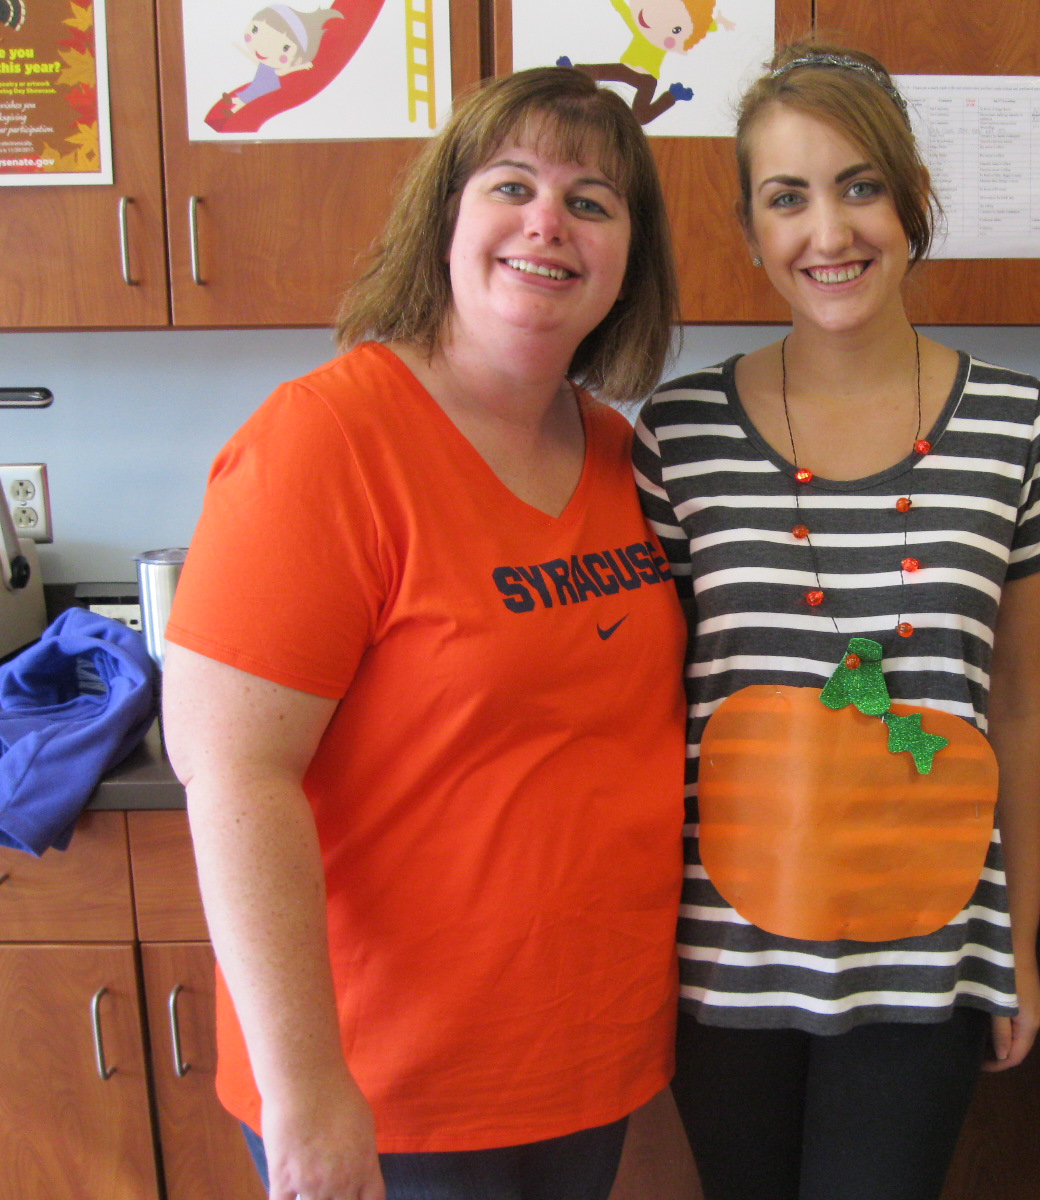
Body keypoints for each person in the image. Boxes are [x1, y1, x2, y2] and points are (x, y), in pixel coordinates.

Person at [162, 67, 686, 1200]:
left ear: (626, 263)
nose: (549, 221)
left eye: (593, 202)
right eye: (513, 185)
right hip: (389, 1087)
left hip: (579, 1064)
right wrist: (307, 1089)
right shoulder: (324, 441)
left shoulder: (615, 453)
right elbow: (233, 773)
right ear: (444, 218)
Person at [633, 41, 1040, 1200]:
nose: (827, 232)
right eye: (787, 198)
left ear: (911, 202)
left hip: (929, 953)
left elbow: (1019, 704)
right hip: (719, 959)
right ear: (748, 231)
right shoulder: (675, 435)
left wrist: (1018, 950)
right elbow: (644, 706)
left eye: (860, 186)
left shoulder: (1020, 429)